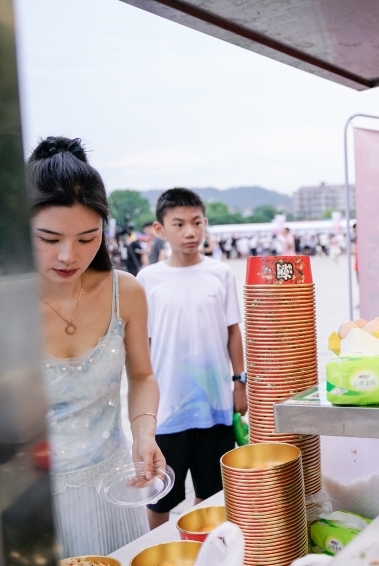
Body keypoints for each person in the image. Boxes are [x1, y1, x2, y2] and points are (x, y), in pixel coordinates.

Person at [30, 137, 165, 555]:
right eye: (49, 239)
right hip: (32, 504)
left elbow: (142, 375)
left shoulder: (125, 292)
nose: (69, 255)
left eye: (87, 238)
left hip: (115, 484)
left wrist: (145, 432)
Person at [138, 188, 247, 529]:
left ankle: (203, 550)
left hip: (214, 404)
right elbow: (144, 346)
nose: (190, 232)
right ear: (160, 229)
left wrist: (239, 382)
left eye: (197, 222)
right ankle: (157, 551)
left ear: (205, 224)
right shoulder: (147, 280)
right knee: (162, 495)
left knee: (213, 491)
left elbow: (233, 331)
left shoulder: (221, 273)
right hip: (168, 407)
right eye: (179, 223)